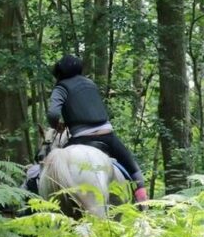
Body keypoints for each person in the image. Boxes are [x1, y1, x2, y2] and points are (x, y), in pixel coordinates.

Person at [45, 54, 148, 202]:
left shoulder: (61, 88)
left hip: (81, 138)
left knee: (53, 166)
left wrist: (56, 125)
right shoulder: (90, 84)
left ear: (59, 72)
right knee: (134, 169)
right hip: (108, 136)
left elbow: (53, 113)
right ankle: (143, 203)